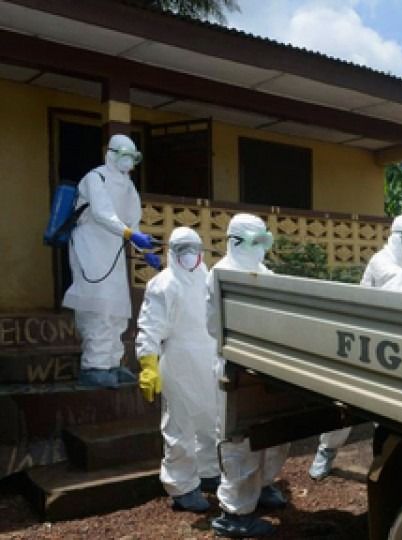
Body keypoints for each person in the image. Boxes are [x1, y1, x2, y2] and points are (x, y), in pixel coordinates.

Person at [310, 214, 402, 481]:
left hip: (394, 347)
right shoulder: (382, 262)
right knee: (347, 401)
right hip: (364, 343)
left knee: (388, 407)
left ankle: (384, 463)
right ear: (397, 238)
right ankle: (326, 450)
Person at [208, 214, 288, 538]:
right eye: (255, 242)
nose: (260, 249)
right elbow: (214, 326)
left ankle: (263, 486)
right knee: (239, 442)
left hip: (267, 367)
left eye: (262, 241)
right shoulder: (220, 275)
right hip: (235, 369)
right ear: (236, 241)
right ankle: (234, 514)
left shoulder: (264, 273)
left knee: (275, 434)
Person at [63, 133, 160, 389]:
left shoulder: (128, 186)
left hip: (113, 247)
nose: (129, 161)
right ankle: (94, 366)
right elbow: (102, 213)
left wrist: (144, 251)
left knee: (117, 307)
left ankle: (112, 362)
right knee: (97, 305)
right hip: (90, 245)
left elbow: (132, 222)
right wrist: (131, 235)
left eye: (133, 157)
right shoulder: (96, 177)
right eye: (124, 155)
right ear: (112, 154)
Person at [135, 227, 219, 513]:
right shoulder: (162, 284)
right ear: (171, 252)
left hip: (209, 358)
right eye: (182, 249)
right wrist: (148, 364)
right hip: (178, 360)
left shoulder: (209, 280)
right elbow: (150, 327)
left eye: (193, 248)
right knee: (179, 427)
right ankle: (181, 486)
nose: (189, 255)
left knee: (211, 421)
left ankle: (208, 471)